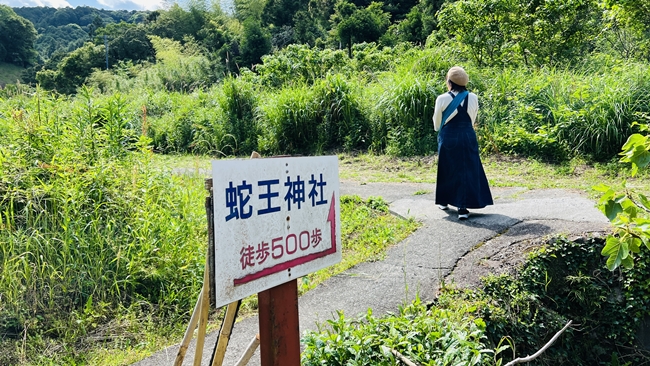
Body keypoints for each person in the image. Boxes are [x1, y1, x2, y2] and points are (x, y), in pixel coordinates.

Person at [432, 66, 493, 219]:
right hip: (468, 135)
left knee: (447, 168)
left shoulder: (442, 98)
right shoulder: (473, 97)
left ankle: (444, 201)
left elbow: (437, 124)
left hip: (449, 136)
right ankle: (463, 208)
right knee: (468, 169)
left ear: (449, 82)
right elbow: (473, 118)